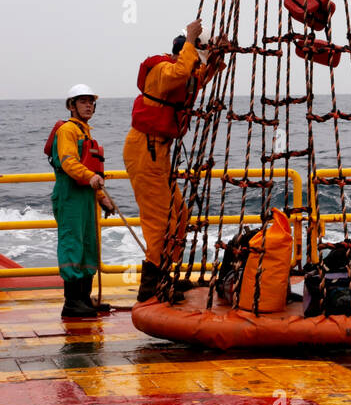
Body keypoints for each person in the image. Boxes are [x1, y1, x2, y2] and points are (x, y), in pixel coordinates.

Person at [123, 20, 222, 300]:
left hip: (159, 152)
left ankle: (165, 274)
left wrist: (218, 55)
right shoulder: (163, 70)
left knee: (179, 215)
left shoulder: (184, 73)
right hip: (145, 149)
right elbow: (181, 72)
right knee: (160, 221)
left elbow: (198, 77)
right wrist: (191, 38)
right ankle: (151, 286)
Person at [47, 85, 114, 319]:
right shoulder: (68, 130)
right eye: (83, 101)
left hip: (86, 197)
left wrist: (102, 198)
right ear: (71, 105)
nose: (88, 106)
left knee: (88, 245)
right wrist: (90, 176)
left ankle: (84, 297)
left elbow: (90, 169)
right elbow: (68, 162)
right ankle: (72, 302)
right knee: (72, 244)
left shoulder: (85, 133)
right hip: (70, 196)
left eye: (91, 102)